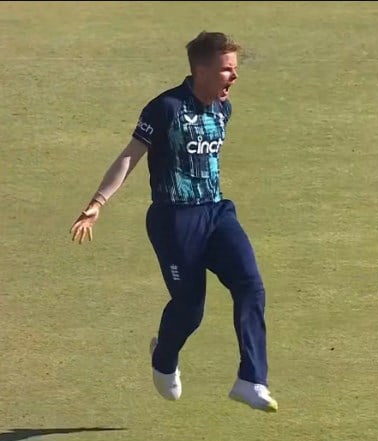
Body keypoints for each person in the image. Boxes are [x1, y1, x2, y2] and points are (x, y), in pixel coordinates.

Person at [69, 31, 277, 412]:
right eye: (227, 70)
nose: (234, 76)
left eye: (234, 69)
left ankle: (251, 379)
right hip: (174, 220)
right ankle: (163, 359)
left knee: (251, 285)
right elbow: (131, 156)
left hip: (216, 213)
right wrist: (98, 202)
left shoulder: (223, 109)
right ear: (202, 70)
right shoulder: (165, 108)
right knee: (190, 308)